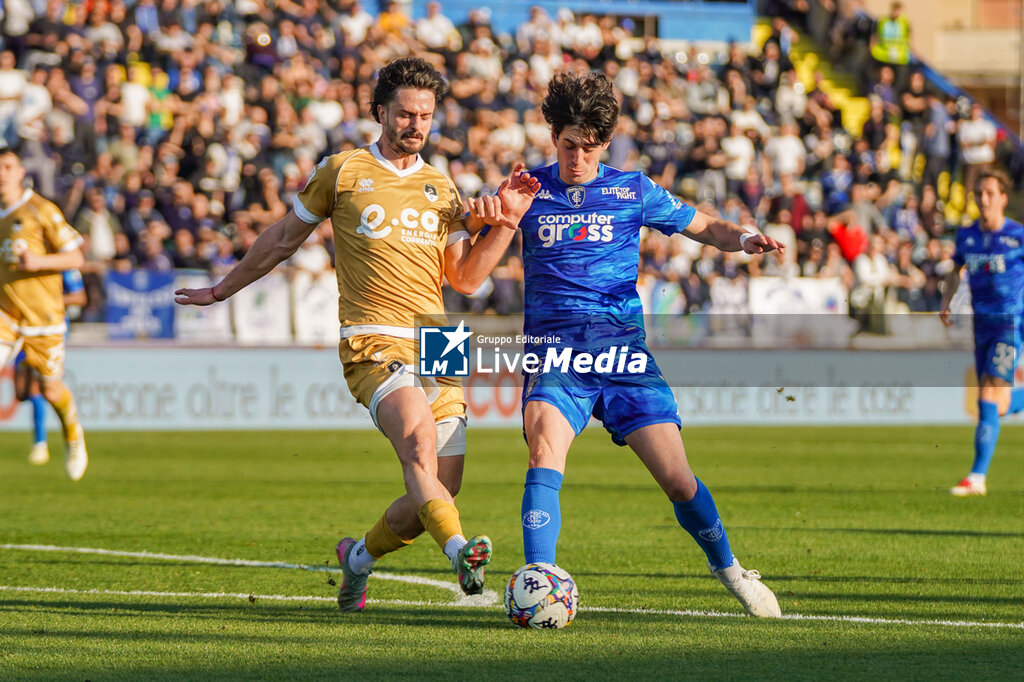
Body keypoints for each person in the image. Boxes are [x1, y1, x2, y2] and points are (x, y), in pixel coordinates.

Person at [175, 57, 540, 611]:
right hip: (374, 338)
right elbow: (281, 239)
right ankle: (462, 552)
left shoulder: (442, 188)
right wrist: (222, 288)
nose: (415, 124)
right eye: (404, 113)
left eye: (425, 115)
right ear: (380, 112)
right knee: (417, 442)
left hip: (441, 340)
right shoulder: (342, 171)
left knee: (444, 484)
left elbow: (465, 279)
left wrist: (506, 222)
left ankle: (357, 561)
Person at [506, 71, 784, 617]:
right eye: (568, 146)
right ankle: (539, 580)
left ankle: (731, 571)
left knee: (679, 481)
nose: (577, 158)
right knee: (544, 450)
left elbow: (703, 226)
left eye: (589, 148)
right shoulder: (526, 191)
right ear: (552, 135)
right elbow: (477, 234)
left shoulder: (631, 190)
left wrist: (744, 237)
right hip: (556, 353)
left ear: (605, 144)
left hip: (623, 353)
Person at [0, 146, 88, 480]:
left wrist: (40, 262)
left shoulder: (40, 210)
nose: (2, 173)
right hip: (5, 314)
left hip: (44, 318)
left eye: (8, 167)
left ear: (21, 172)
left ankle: (72, 431)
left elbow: (76, 258)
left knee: (50, 391)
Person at [939, 171, 1024, 496]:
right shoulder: (967, 235)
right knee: (994, 404)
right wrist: (947, 299)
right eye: (978, 193)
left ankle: (977, 477)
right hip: (982, 324)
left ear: (1003, 197)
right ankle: (976, 476)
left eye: (989, 193)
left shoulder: (1017, 235)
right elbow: (955, 270)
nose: (982, 199)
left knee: (988, 394)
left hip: (1010, 323)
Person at [17, 267, 86, 465]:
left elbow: (79, 297)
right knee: (22, 391)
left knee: (41, 386)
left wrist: (44, 302)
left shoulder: (59, 258)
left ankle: (40, 443)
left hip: (48, 329)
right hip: (20, 325)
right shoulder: (17, 251)